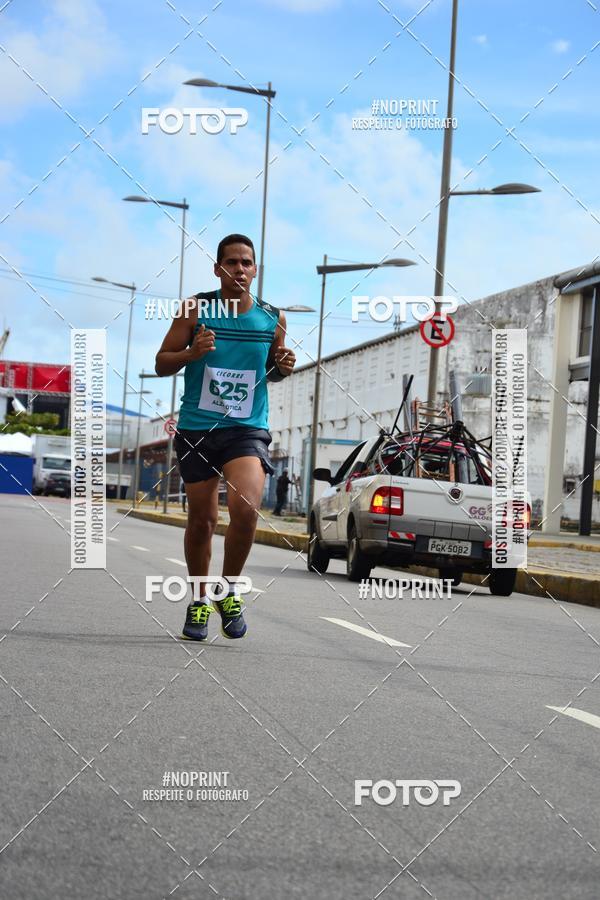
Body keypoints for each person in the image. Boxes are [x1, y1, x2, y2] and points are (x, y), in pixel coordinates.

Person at [155, 234, 296, 641]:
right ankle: (199, 599)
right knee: (202, 521)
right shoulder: (196, 310)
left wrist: (283, 366)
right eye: (231, 262)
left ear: (255, 270)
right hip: (198, 428)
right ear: (217, 269)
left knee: (247, 508)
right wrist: (191, 354)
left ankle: (227, 590)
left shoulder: (272, 318)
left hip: (246, 428)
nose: (239, 269)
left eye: (246, 263)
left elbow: (271, 370)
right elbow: (162, 363)